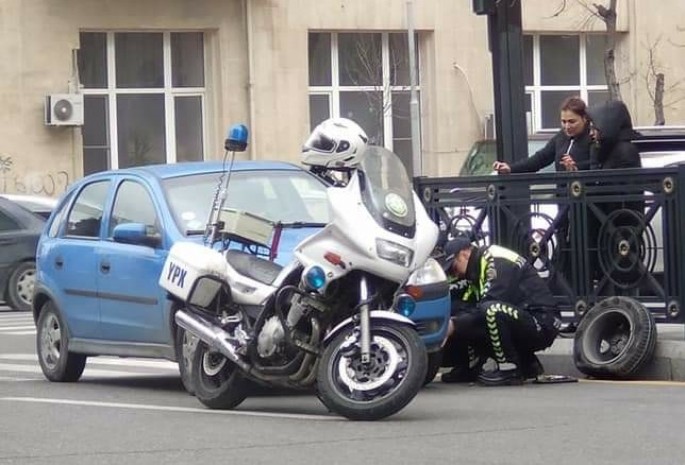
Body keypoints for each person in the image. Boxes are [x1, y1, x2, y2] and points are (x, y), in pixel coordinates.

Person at [440, 236, 562, 386]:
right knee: (464, 310)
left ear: (464, 254)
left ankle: (510, 369)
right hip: (521, 317)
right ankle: (525, 363)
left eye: (453, 267)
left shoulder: (496, 260)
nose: (454, 274)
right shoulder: (475, 269)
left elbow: (488, 306)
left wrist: (454, 325)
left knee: (490, 311)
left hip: (542, 322)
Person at [586, 100, 643, 289]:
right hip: (612, 229)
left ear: (607, 126)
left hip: (621, 229)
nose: (592, 133)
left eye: (596, 128)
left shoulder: (624, 151)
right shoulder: (610, 149)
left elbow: (612, 188)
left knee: (620, 280)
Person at [492, 96, 593, 174]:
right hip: (563, 198)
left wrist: (577, 168)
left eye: (572, 121)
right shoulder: (561, 137)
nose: (567, 126)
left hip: (588, 197)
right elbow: (540, 159)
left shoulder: (593, 137)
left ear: (584, 119)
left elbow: (597, 165)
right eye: (563, 121)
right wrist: (511, 168)